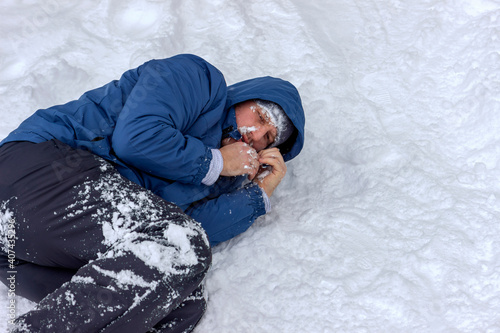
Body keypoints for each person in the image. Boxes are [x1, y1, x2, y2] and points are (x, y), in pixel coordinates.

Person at [0, 54, 305, 332]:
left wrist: (258, 193)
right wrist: (218, 162)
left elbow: (182, 241)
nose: (255, 137)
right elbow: (135, 138)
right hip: (41, 171)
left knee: (181, 301)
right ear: (244, 98)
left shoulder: (213, 178)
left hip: (24, 255)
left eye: (268, 140)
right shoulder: (200, 80)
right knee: (180, 240)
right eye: (261, 118)